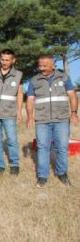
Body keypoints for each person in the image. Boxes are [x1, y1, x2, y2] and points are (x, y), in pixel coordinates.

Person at [26, 55, 78, 188]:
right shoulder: (34, 80)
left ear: (53, 65)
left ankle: (62, 173)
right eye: (40, 65)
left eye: (44, 65)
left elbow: (72, 95)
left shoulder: (64, 77)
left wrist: (73, 113)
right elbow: (30, 99)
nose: (41, 68)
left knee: (62, 147)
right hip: (42, 120)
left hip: (61, 119)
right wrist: (30, 117)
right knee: (43, 148)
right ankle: (42, 177)